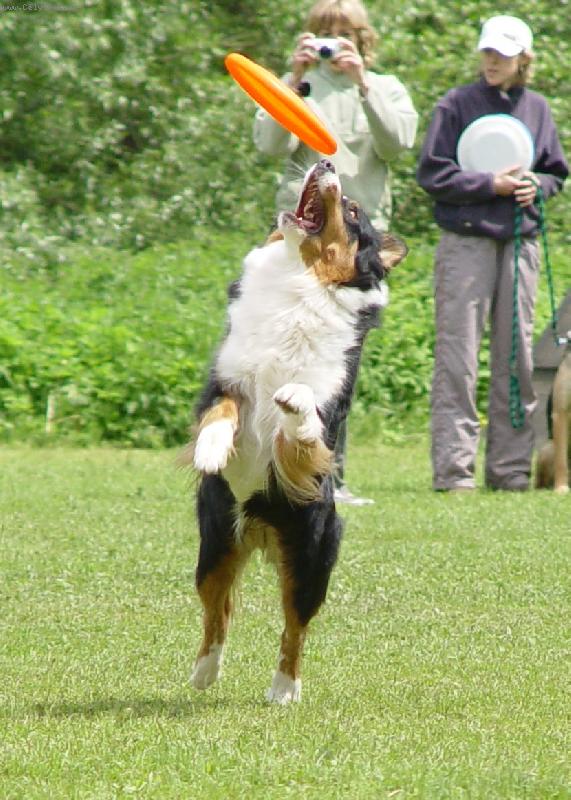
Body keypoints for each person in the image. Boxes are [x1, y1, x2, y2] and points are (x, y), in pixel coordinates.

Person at [253, 0, 418, 505]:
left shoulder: (384, 87)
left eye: (342, 33)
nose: (331, 43)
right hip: (298, 244)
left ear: (362, 37)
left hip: (357, 247)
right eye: (322, 33)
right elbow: (269, 144)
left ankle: (329, 478)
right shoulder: (295, 83)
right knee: (280, 354)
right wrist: (294, 77)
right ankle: (268, 464)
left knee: (339, 363)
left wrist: (363, 82)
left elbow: (397, 145)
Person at [417, 15, 568, 492]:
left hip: (521, 244)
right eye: (487, 53)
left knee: (517, 358)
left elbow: (554, 172)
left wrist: (535, 186)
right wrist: (490, 184)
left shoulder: (538, 108)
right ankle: (454, 473)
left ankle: (510, 473)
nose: (491, 62)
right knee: (458, 358)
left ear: (524, 59)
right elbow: (433, 173)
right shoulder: (456, 104)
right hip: (466, 242)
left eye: (501, 55)